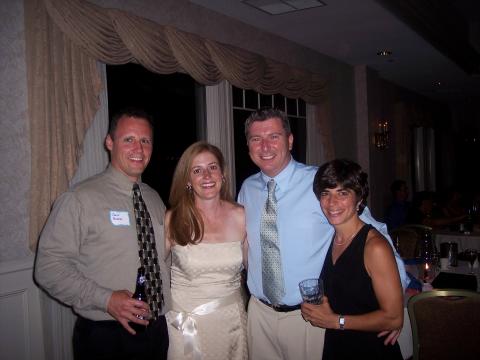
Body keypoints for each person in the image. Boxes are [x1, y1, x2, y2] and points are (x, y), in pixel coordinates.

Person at [236, 108, 408, 360]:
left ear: (290, 140)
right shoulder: (247, 188)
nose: (265, 146)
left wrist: (394, 308)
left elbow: (374, 231)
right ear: (248, 145)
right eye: (255, 139)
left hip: (308, 316)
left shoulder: (320, 183)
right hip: (260, 314)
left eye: (274, 136)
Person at [34, 108, 171, 360]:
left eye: (145, 141)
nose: (138, 149)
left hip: (157, 328)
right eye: (128, 139)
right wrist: (107, 300)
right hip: (107, 335)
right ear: (109, 142)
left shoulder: (154, 198)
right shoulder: (78, 199)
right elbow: (48, 268)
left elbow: (163, 259)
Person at [301, 159, 404, 360]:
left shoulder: (374, 247)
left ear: (359, 200)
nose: (332, 203)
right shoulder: (330, 239)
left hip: (370, 350)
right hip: (337, 346)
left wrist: (335, 321)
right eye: (326, 194)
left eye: (342, 193)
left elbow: (394, 317)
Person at [164, 141, 248, 360]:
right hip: (187, 325)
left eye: (212, 167)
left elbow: (255, 269)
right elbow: (155, 271)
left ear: (222, 173)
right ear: (188, 180)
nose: (207, 176)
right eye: (197, 170)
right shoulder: (173, 219)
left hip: (231, 322)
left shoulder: (242, 216)